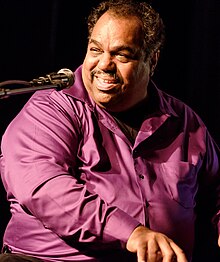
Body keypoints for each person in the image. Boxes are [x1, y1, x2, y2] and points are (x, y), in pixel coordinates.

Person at [0, 0, 220, 261]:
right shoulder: (51, 107)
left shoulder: (184, 122)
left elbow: (216, 189)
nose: (104, 64)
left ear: (153, 59)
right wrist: (133, 233)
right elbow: (44, 187)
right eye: (95, 50)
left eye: (122, 54)